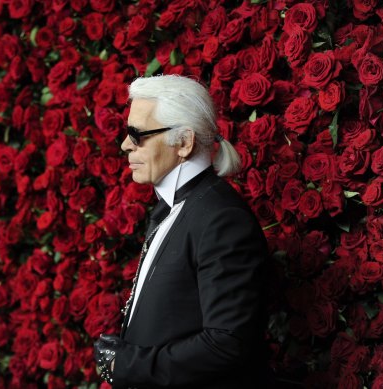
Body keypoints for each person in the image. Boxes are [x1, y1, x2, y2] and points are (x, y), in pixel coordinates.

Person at [94, 75, 270, 388]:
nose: (124, 145)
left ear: (184, 142)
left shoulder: (221, 218)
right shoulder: (176, 209)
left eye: (137, 134)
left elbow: (227, 343)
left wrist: (128, 364)